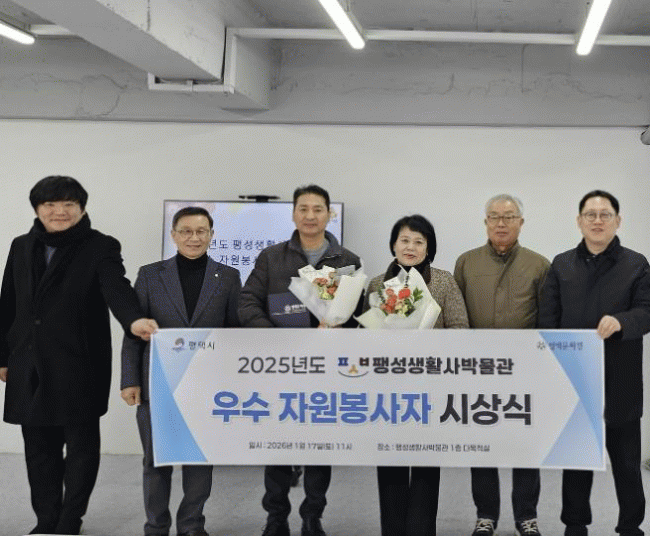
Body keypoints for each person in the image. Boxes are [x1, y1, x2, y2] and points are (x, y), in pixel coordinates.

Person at [0, 175, 157, 535]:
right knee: (39, 450)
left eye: (69, 204)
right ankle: (45, 520)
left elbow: (116, 287)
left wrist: (133, 320)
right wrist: (3, 355)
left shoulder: (100, 246)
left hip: (79, 365)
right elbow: (8, 301)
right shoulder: (21, 245)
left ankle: (71, 520)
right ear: (37, 209)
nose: (60, 211)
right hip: (28, 364)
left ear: (82, 208)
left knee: (81, 449)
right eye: (50, 205)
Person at [238, 184, 362, 536]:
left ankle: (313, 516)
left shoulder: (347, 261)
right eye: (303, 209)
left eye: (318, 209)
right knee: (278, 443)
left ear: (329, 214)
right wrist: (274, 337)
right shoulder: (271, 257)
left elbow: (358, 314)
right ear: (293, 214)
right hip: (282, 368)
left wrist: (339, 327)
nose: (310, 216)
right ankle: (275, 517)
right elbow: (247, 302)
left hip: (326, 371)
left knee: (320, 445)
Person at [121, 206, 241, 536]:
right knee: (155, 461)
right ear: (173, 235)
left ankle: (191, 524)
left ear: (212, 235)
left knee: (199, 459)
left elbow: (235, 332)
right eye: (186, 231)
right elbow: (133, 333)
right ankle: (156, 526)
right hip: (156, 384)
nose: (194, 238)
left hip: (207, 385)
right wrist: (130, 380)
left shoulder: (228, 277)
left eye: (201, 231)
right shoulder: (150, 275)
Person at [539, 190, 650, 536]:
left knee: (627, 464)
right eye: (591, 214)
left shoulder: (636, 264)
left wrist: (622, 321)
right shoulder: (561, 264)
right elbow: (547, 320)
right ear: (579, 221)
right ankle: (575, 525)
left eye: (605, 215)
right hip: (575, 380)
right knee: (576, 461)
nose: (597, 221)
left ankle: (631, 526)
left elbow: (647, 311)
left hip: (621, 379)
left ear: (618, 221)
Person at [363, 214, 468, 536]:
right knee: (389, 463)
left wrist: (427, 345)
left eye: (419, 242)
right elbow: (365, 336)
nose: (411, 247)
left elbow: (460, 328)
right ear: (394, 245)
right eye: (405, 240)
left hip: (430, 388)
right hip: (388, 390)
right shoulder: (377, 284)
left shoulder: (444, 281)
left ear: (429, 248)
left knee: (425, 465)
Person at [454, 194, 550, 536]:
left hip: (524, 372)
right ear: (485, 222)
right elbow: (457, 316)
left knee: (526, 446)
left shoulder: (539, 265)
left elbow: (547, 319)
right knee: (482, 446)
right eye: (494, 216)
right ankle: (486, 515)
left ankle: (527, 515)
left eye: (509, 217)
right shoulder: (466, 263)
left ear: (521, 222)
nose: (501, 223)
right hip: (478, 371)